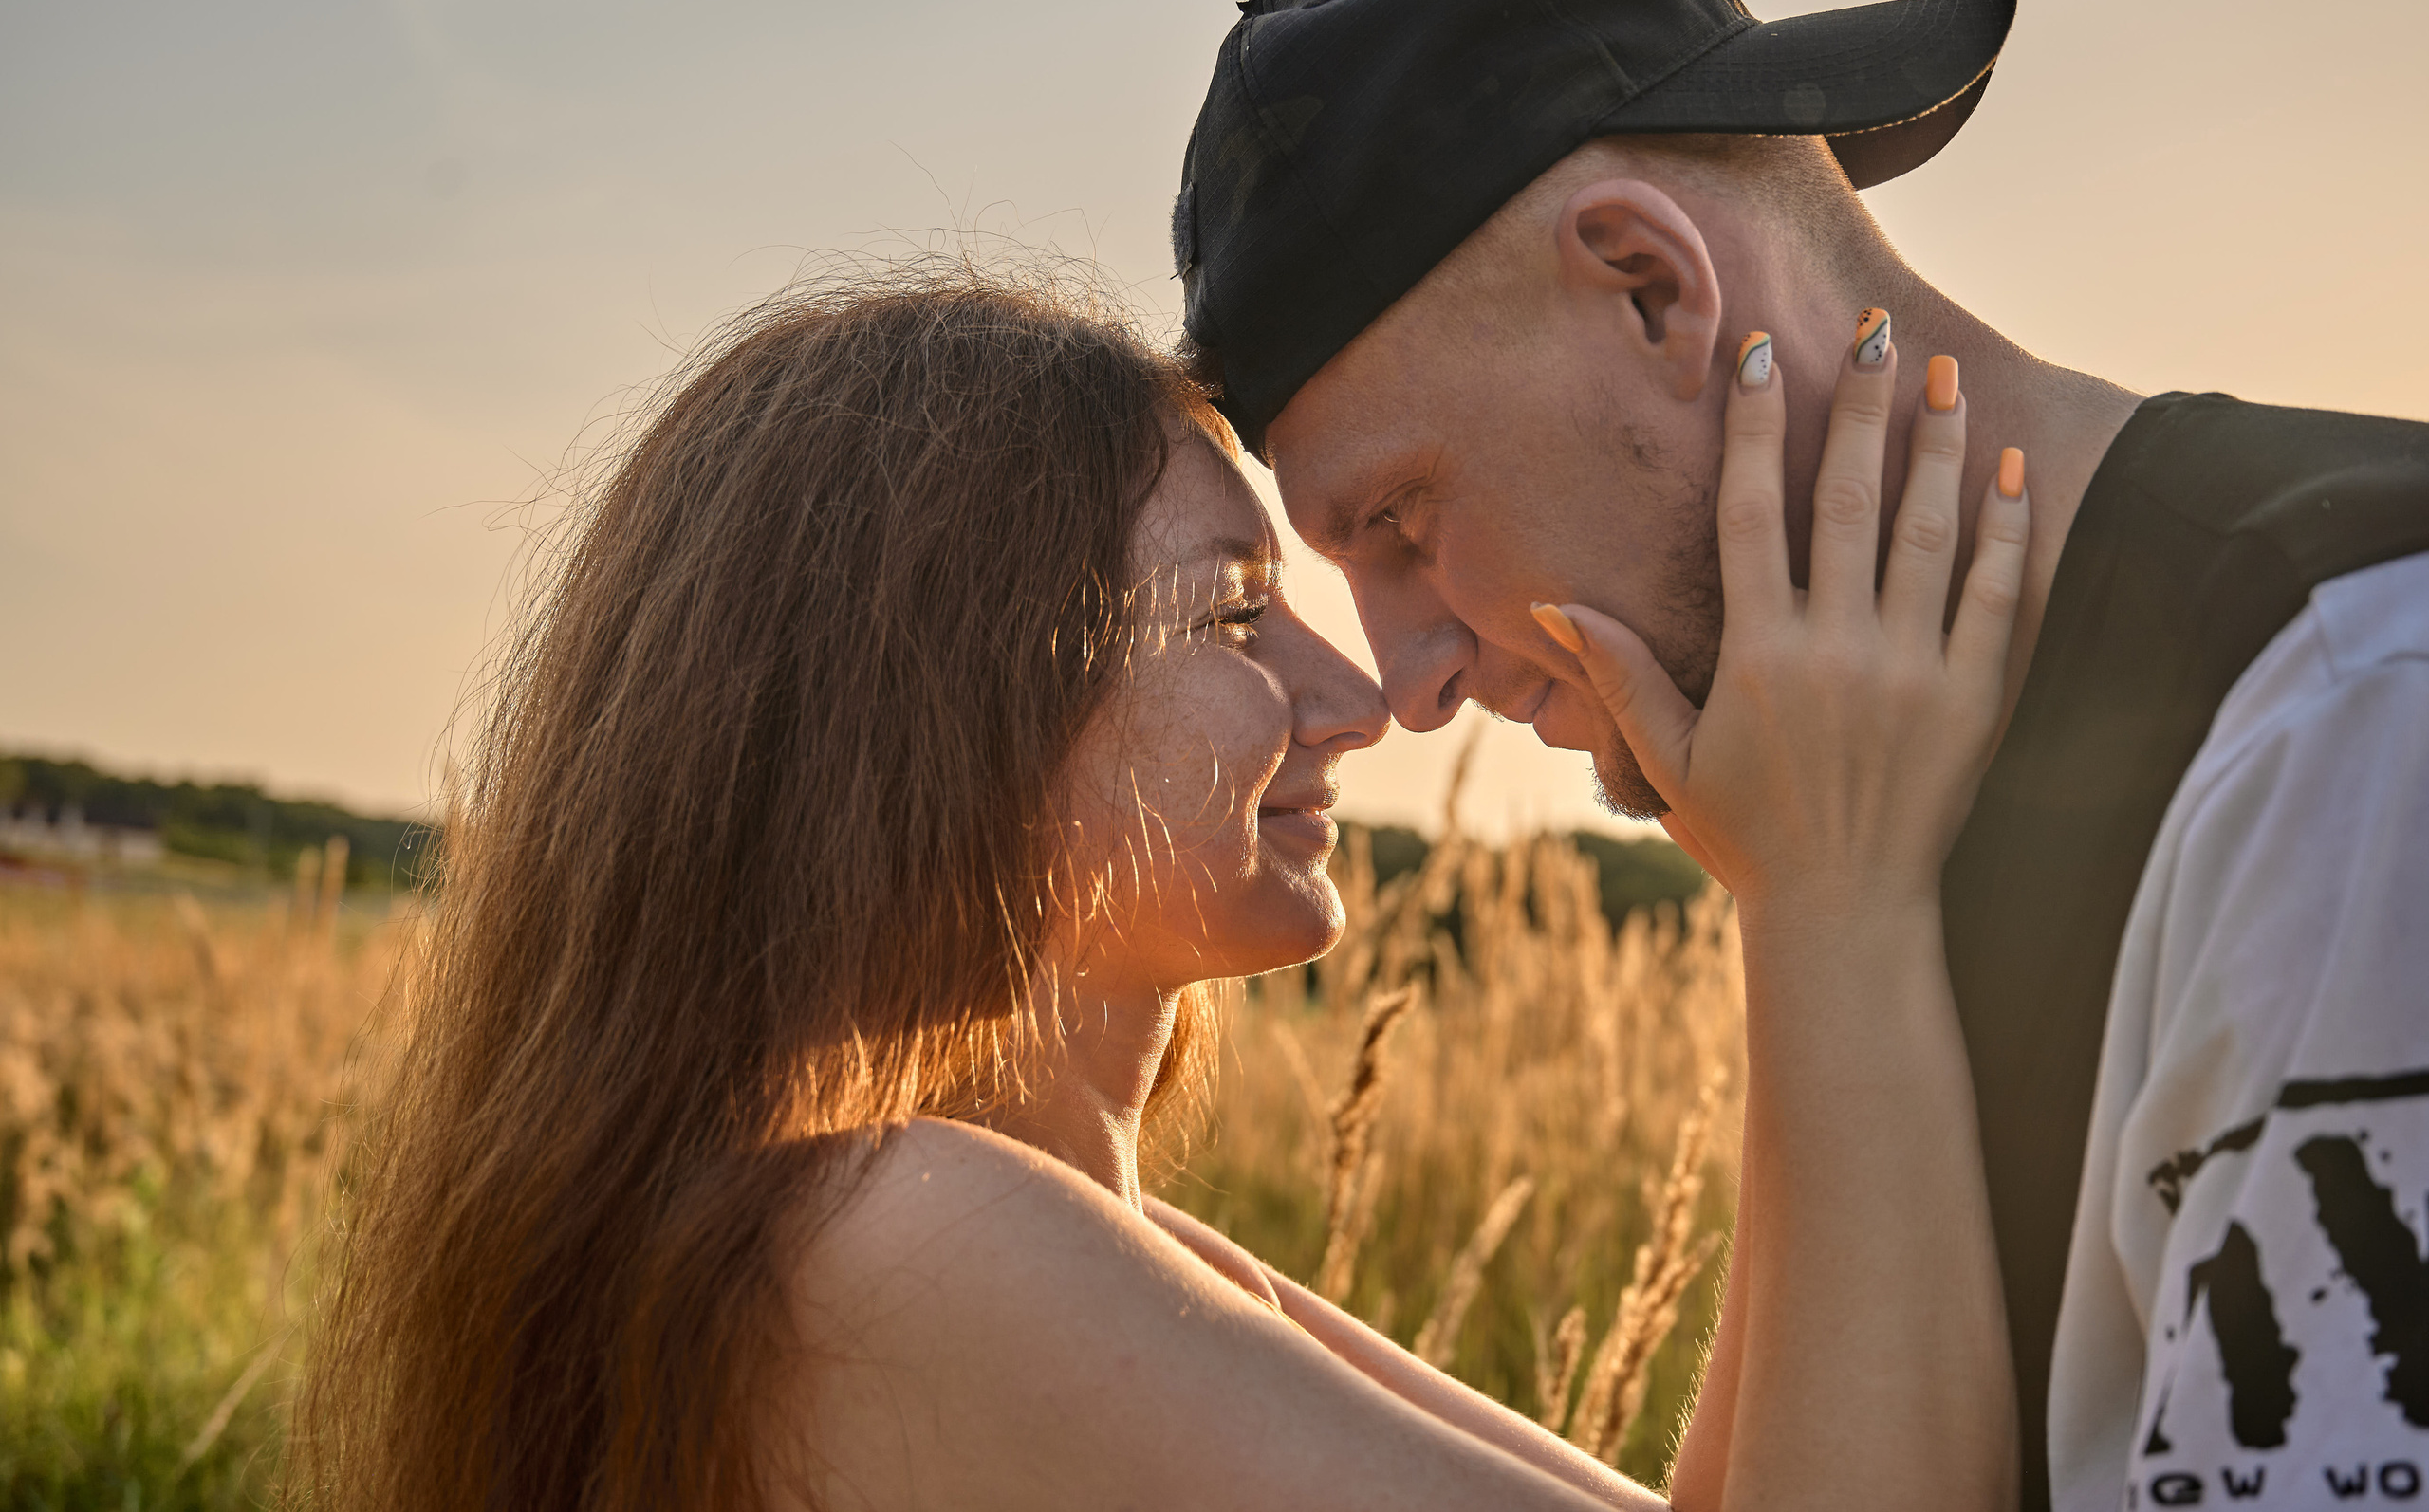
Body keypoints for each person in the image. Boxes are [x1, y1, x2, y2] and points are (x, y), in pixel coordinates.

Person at [295, 261, 2033, 1511]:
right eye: (1230, 612)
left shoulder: (1026, 1234)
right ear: (946, 704)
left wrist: (1792, 884)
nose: (1357, 700)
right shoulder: (888, 1241)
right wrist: (1835, 903)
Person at [1168, 0, 2429, 1508]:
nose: (1409, 684)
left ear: (1648, 289)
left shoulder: (2360, 720)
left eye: (1403, 526)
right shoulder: (1850, 814)